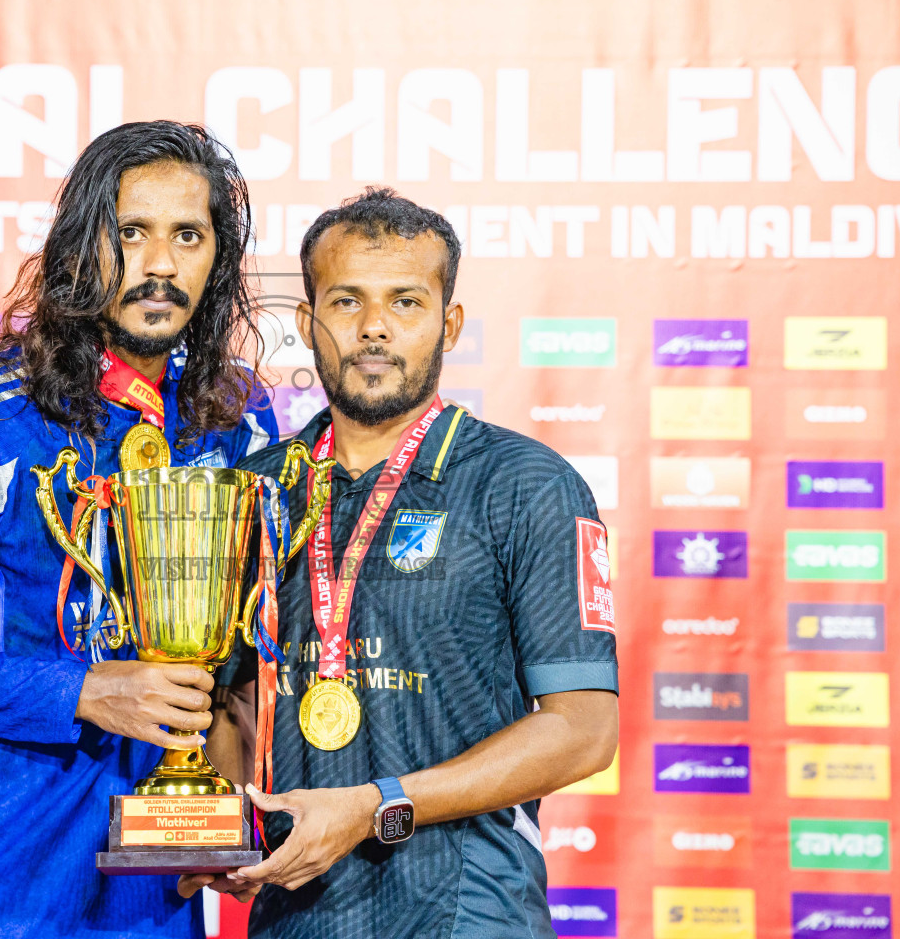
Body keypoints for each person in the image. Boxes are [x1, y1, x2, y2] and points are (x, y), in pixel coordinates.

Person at [0, 121, 278, 939]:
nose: (158, 265)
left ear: (217, 257)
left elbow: (235, 662)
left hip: (151, 881)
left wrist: (225, 803)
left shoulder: (233, 423)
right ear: (82, 248)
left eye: (188, 235)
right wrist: (88, 691)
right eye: (130, 234)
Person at [183, 188, 620, 938]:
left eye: (406, 303)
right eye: (346, 301)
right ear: (307, 321)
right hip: (296, 918)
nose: (374, 328)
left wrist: (373, 806)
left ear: (447, 325)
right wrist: (221, 824)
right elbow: (232, 715)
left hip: (466, 911)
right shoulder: (251, 490)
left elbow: (584, 728)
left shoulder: (525, 485)